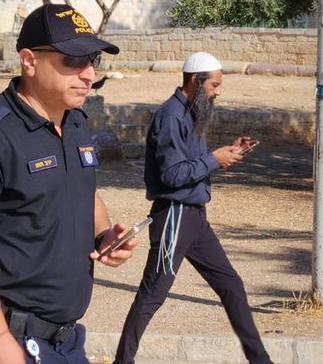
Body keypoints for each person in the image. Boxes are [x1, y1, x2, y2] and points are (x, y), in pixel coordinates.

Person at [0, 4, 138, 364]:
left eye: (93, 59)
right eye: (73, 60)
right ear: (29, 61)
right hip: (9, 340)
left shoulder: (76, 122)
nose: (88, 74)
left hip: (65, 339)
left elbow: (84, 189)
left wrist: (104, 235)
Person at [112, 52, 272, 364]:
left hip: (196, 217)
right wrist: (215, 159)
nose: (218, 91)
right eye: (215, 84)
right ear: (196, 82)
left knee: (231, 286)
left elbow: (193, 164)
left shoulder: (191, 113)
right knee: (153, 294)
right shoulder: (171, 116)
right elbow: (173, 175)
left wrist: (229, 151)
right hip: (174, 215)